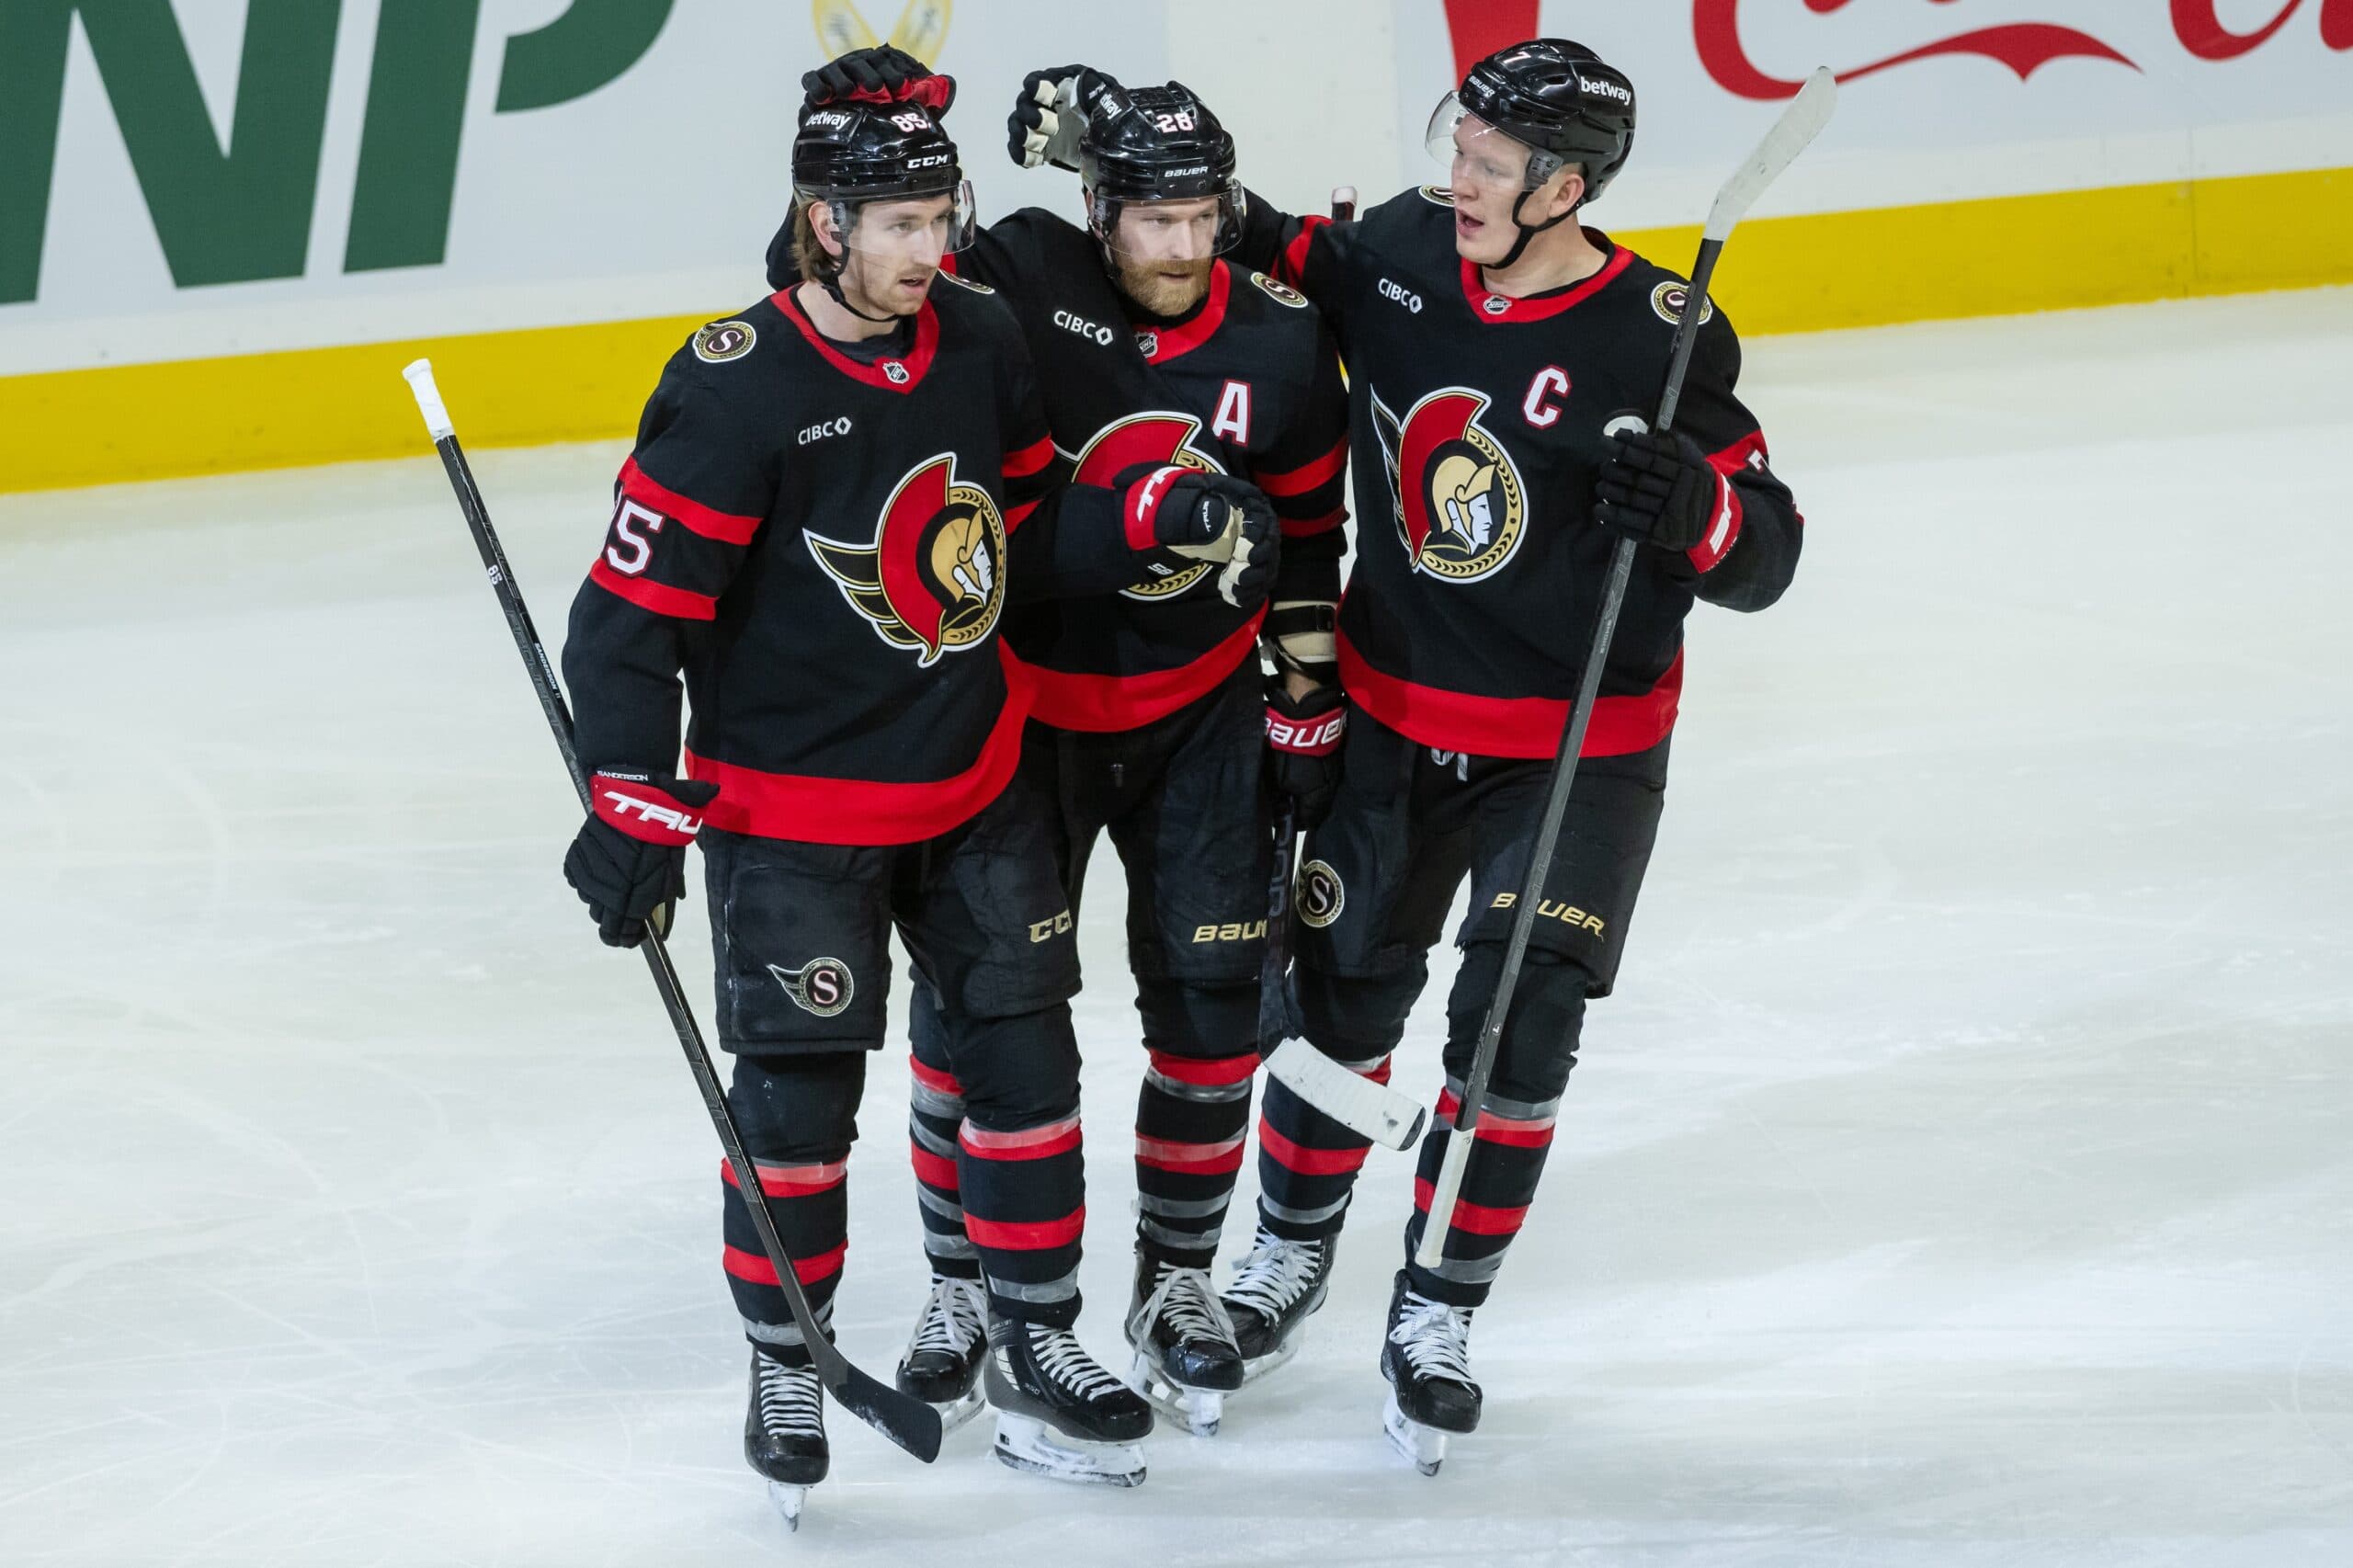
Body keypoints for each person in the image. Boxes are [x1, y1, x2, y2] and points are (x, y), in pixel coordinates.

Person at [1021, 39, 1804, 1470]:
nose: (1459, 177)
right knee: (1336, 1004)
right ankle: (1287, 1252)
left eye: (1494, 167)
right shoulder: (1396, 256)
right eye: (1462, 145)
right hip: (1389, 715)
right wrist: (1100, 138)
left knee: (1517, 1030)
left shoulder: (1663, 333)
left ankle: (1438, 1306)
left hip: (1577, 746)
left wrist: (1696, 507)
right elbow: (1239, 231)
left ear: (1567, 187)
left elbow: (1767, 554)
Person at [557, 61, 1277, 1506]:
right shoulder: (731, 385)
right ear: (822, 225)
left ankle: (1040, 1339)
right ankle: (786, 1352)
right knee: (796, 1109)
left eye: (940, 217)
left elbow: (1019, 520)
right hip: (790, 818)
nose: (929, 250)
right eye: (896, 225)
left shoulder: (978, 338)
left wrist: (1151, 510)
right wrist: (629, 799)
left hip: (976, 777)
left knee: (1025, 1069)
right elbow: (628, 621)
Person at [797, 51, 1347, 1437]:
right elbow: (860, 255)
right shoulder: (1014, 279)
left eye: (1202, 216)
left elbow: (1308, 536)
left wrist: (1305, 696)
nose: (1181, 244)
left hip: (1201, 722)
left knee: (1212, 1021)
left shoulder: (1281, 336)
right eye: (1152, 217)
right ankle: (966, 1282)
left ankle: (1174, 1282)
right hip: (1018, 715)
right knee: (973, 1020)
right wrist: (884, 122)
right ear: (1094, 206)